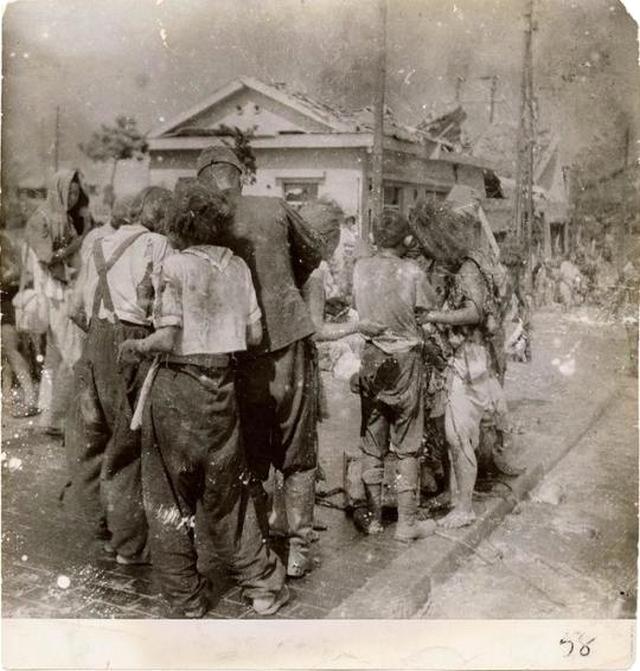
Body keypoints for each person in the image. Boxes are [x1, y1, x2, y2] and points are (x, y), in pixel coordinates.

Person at [119, 183, 288, 617]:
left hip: (177, 388)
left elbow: (169, 336)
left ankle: (186, 599)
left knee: (168, 498)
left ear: (179, 222)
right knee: (228, 494)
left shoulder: (174, 267)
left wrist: (137, 346)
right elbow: (252, 335)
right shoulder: (238, 267)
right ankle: (264, 585)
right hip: (221, 390)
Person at [196, 145, 326, 578]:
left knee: (249, 450)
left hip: (237, 347)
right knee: (298, 448)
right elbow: (313, 253)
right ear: (239, 175)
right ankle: (299, 548)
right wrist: (284, 282)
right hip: (288, 337)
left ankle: (258, 545)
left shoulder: (203, 220)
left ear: (205, 181)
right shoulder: (274, 206)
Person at [65, 186, 173, 564]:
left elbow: (75, 310)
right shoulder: (158, 245)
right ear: (160, 217)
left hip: (95, 340)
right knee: (128, 445)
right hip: (133, 343)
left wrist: (101, 337)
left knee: (94, 438)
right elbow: (164, 309)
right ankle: (129, 546)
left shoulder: (99, 242)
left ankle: (101, 528)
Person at [409, 199, 520, 529]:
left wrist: (433, 316)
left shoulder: (469, 269)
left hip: (470, 362)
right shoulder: (470, 263)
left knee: (458, 435)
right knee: (457, 434)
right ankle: (458, 498)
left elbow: (474, 312)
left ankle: (465, 507)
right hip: (471, 361)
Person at [351, 209, 438, 541]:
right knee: (407, 447)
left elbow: (358, 308)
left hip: (372, 358)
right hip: (405, 361)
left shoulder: (360, 268)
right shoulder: (412, 271)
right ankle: (406, 523)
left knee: (372, 441)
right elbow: (426, 312)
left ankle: (373, 518)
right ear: (407, 240)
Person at [25, 169, 92, 436]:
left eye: (77, 192)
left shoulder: (62, 218)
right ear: (58, 190)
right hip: (55, 293)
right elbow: (47, 257)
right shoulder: (41, 219)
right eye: (69, 191)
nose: (73, 197)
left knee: (54, 356)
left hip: (63, 290)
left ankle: (49, 416)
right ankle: (65, 416)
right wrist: (81, 240)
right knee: (72, 353)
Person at [1, 225, 39, 416]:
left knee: (11, 350)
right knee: (8, 353)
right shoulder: (9, 239)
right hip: (10, 300)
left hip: (5, 302)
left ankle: (30, 396)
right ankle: (7, 398)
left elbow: (13, 273)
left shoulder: (6, 242)